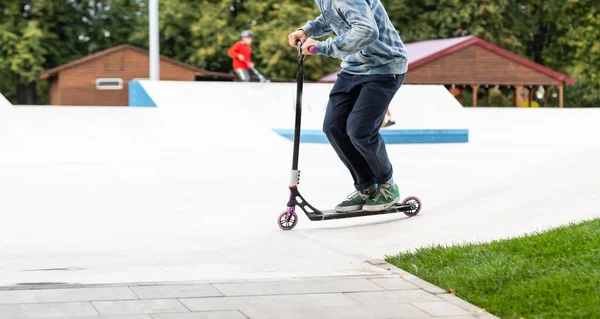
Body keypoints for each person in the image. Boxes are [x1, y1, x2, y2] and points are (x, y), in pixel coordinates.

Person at [288, 0, 408, 212]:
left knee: (360, 131)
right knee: (333, 127)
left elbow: (367, 31)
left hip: (383, 67)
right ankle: (367, 188)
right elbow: (331, 18)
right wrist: (307, 29)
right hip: (353, 68)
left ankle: (387, 186)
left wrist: (323, 47)